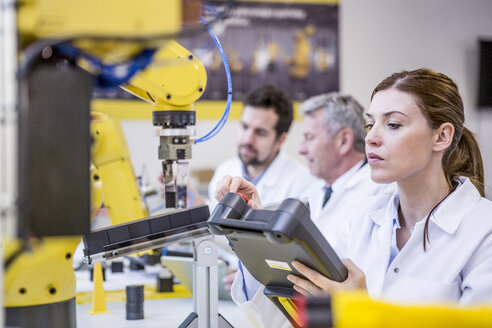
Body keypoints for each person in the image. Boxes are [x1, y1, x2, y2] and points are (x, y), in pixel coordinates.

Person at [217, 68, 492, 327]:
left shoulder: (483, 232)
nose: (371, 138)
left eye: (393, 124)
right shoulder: (363, 219)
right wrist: (255, 228)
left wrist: (363, 312)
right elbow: (291, 313)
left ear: (442, 136)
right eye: (371, 124)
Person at [208, 84, 316, 208]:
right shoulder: (225, 170)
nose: (248, 139)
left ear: (280, 139)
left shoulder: (303, 185)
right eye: (245, 126)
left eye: (260, 132)